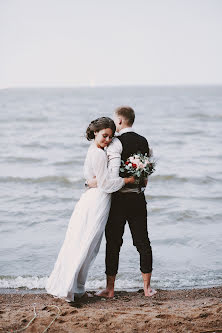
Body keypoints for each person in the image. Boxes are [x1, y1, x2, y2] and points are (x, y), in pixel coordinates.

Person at [45, 117, 135, 302]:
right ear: (95, 132)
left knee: (83, 243)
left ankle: (76, 287)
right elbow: (106, 185)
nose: (108, 140)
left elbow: (97, 181)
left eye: (111, 137)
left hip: (92, 199)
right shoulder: (99, 154)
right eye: (104, 135)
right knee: (87, 245)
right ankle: (74, 288)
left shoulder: (95, 149)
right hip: (97, 201)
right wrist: (127, 180)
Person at [90, 106, 156, 297]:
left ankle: (110, 289)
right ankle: (147, 288)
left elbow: (110, 173)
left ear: (119, 121)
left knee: (113, 242)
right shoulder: (143, 141)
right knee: (143, 241)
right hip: (137, 197)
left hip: (118, 199)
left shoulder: (115, 143)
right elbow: (145, 176)